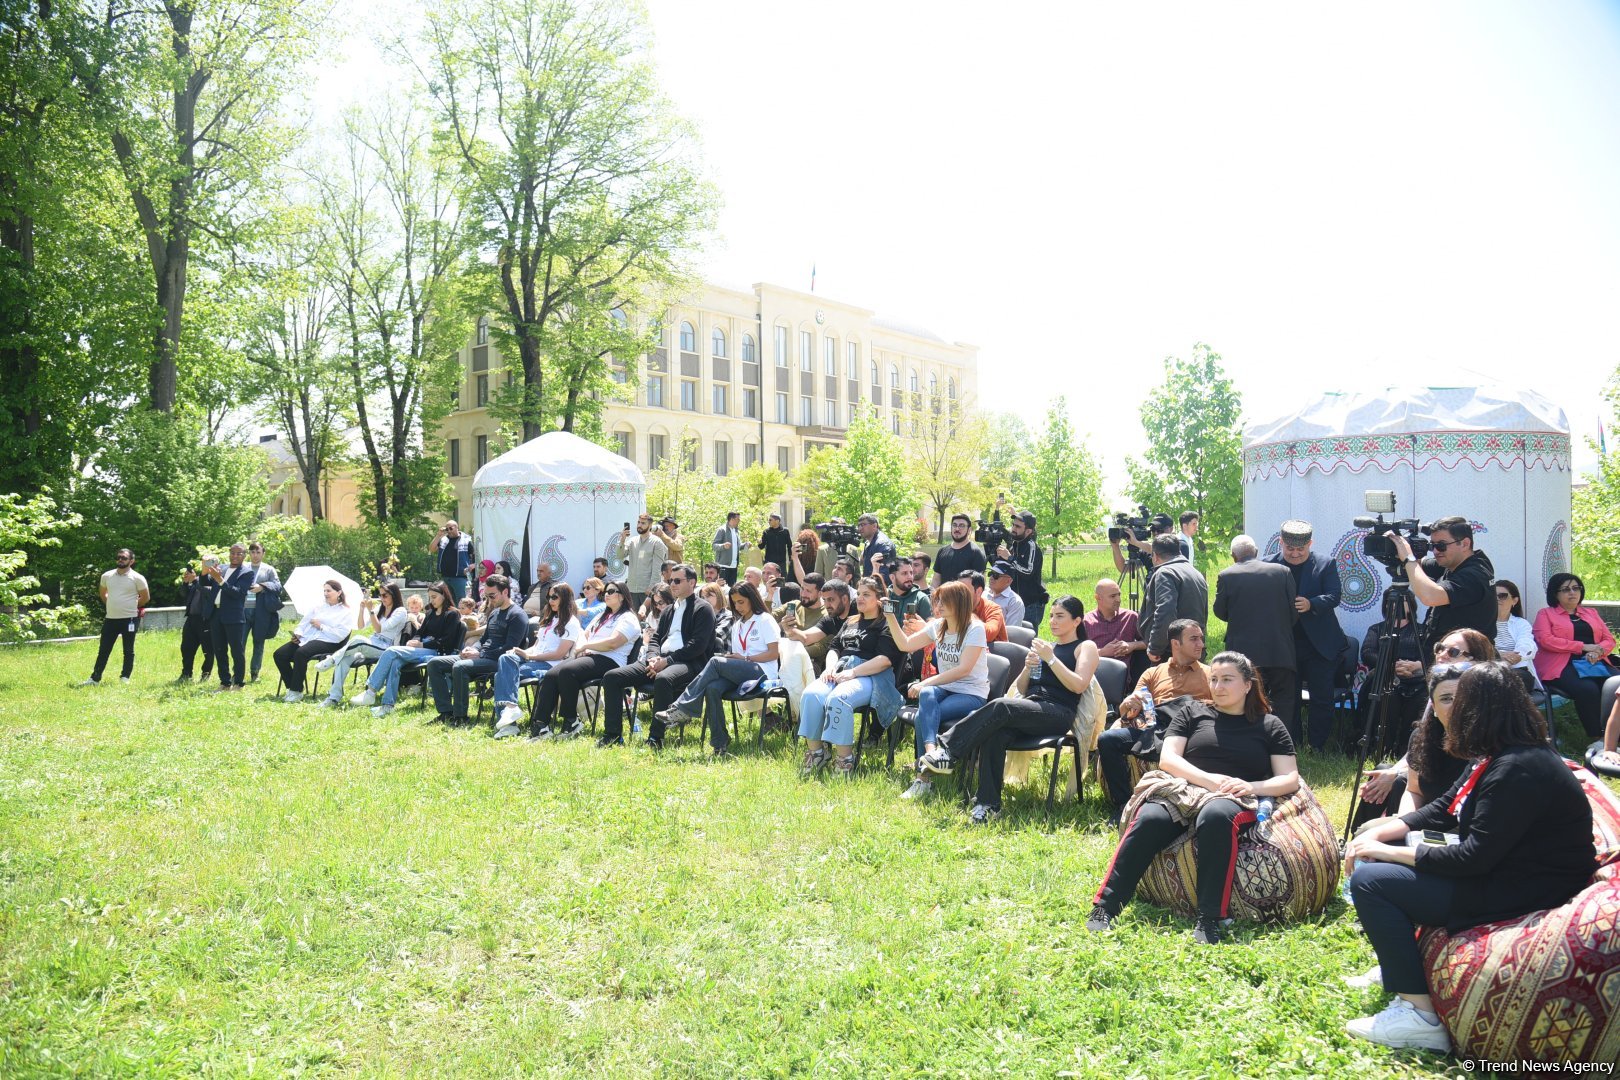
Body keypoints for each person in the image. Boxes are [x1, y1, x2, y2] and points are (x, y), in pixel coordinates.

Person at [1342, 663, 1596, 1051]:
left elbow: (1473, 859)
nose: (1450, 711)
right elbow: (1446, 807)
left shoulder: (1518, 768)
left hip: (1524, 889)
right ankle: (1401, 966)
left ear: (1483, 708)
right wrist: (1382, 830)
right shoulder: (1496, 754)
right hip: (1506, 871)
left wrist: (1388, 851)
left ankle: (1420, 1018)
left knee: (1371, 881)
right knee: (1383, 860)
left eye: (1461, 702)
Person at [1088, 652, 1298, 945]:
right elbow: (1169, 759)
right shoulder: (1192, 713)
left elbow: (1289, 777)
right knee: (1149, 817)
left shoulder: (1270, 725)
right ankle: (1106, 906)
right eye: (1214, 679)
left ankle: (1209, 917)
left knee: (1215, 817)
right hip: (1186, 788)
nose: (1218, 686)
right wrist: (1208, 781)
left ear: (1248, 685)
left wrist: (1250, 786)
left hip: (1234, 795)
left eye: (1227, 680)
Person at [922, 595, 1098, 824]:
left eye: (1060, 616)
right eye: (1051, 616)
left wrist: (1051, 660)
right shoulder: (1049, 647)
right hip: (1031, 707)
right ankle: (988, 804)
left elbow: (1079, 685)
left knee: (1001, 705)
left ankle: (949, 751)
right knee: (995, 733)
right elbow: (1023, 688)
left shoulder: (1084, 647)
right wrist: (1028, 668)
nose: (1053, 621)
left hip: (1058, 713)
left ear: (1077, 621)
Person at [1096, 619, 1213, 822]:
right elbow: (1126, 712)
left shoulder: (1210, 674)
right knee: (1107, 739)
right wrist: (1129, 703)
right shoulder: (1153, 672)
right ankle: (1123, 804)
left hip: (1193, 730)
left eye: (1201, 639)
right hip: (1157, 729)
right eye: (1194, 639)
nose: (1201, 644)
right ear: (1176, 643)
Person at [791, 576, 904, 777]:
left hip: (871, 675)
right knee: (811, 694)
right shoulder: (851, 621)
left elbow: (885, 660)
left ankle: (845, 760)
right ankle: (817, 753)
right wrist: (830, 668)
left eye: (866, 594)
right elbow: (834, 647)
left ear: (879, 598)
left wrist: (853, 672)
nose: (859, 598)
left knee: (839, 698)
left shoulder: (886, 624)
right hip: (841, 670)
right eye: (858, 593)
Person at [886, 581, 989, 801]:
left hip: (972, 694)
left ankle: (923, 779)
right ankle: (932, 754)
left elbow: (964, 670)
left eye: (944, 601)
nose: (938, 606)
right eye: (937, 601)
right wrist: (890, 617)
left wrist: (926, 682)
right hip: (945, 688)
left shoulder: (975, 628)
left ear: (959, 603)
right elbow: (905, 645)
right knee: (927, 696)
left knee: (924, 712)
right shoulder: (939, 625)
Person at [656, 581, 781, 756]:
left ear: (752, 599)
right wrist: (733, 658)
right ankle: (719, 743)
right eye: (735, 603)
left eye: (741, 602)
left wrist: (745, 658)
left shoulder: (765, 620)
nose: (738, 607)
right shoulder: (738, 623)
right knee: (712, 687)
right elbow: (738, 655)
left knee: (715, 662)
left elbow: (773, 654)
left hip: (763, 672)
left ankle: (682, 707)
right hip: (743, 671)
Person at [600, 564, 716, 749]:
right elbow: (655, 638)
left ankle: (656, 738)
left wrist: (667, 661)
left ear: (692, 582)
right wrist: (653, 658)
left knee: (663, 679)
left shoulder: (703, 609)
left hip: (688, 663)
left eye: (677, 580)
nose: (672, 584)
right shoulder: (669, 610)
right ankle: (612, 735)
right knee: (612, 677)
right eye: (670, 581)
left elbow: (697, 646)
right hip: (660, 660)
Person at [1351, 663, 1474, 831]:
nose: (1455, 705)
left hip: (1464, 825)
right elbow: (1414, 791)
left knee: (1397, 782)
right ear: (1434, 707)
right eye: (1446, 699)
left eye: (1461, 697)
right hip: (1427, 817)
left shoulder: (1486, 744)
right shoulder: (1422, 737)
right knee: (1367, 830)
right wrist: (1404, 825)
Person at [1265, 520, 1343, 751]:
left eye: (1301, 549)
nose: (1295, 554)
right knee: (1288, 697)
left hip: (1319, 645)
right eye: (1290, 548)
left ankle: (1317, 745)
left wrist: (1312, 603)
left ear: (1310, 544)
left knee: (1321, 697)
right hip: (1285, 644)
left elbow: (1335, 595)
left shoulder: (1326, 564)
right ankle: (1292, 741)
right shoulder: (1267, 565)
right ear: (1281, 543)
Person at [531, 582, 640, 739]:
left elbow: (613, 643)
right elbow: (584, 634)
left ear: (622, 596)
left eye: (611, 591)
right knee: (551, 675)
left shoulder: (628, 618)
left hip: (611, 660)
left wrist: (586, 647)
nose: (606, 594)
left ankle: (571, 722)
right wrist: (582, 648)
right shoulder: (602, 616)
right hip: (591, 657)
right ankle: (541, 726)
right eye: (605, 591)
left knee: (567, 672)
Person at [1214, 535, 1297, 721]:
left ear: (1233, 555)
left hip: (1243, 653)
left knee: (1247, 700)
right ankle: (1282, 737)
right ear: (1256, 552)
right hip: (1279, 649)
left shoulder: (1227, 575)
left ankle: (1251, 736)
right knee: (1283, 700)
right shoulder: (1283, 572)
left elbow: (1220, 612)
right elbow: (1294, 612)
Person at [425, 573, 526, 725]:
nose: (489, 600)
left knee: (459, 667)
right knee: (434, 663)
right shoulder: (494, 613)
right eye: (486, 596)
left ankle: (460, 717)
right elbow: (484, 639)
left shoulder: (517, 615)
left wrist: (480, 653)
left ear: (505, 592)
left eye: (492, 596)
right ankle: (446, 712)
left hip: (498, 660)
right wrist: (471, 649)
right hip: (482, 656)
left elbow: (510, 648)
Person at [353, 583, 463, 717]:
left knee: (391, 651)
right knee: (395, 662)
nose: (431, 600)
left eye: (434, 597)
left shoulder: (452, 614)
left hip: (438, 651)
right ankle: (387, 705)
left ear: (444, 595)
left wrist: (422, 645)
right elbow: (420, 633)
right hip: (423, 648)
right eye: (430, 597)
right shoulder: (431, 613)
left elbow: (447, 641)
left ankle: (371, 691)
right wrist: (413, 641)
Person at [1532, 572, 1617, 738]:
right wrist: (1582, 647)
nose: (1572, 592)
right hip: (1562, 665)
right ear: (1555, 594)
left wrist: (1598, 651)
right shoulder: (1546, 614)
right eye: (1565, 589)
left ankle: (1615, 735)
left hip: (1594, 661)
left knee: (1616, 684)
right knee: (1588, 689)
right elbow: (1545, 640)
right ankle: (1598, 737)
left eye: (1576, 588)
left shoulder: (1591, 613)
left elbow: (1609, 639)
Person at [493, 583, 582, 739]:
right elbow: (536, 647)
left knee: (500, 676)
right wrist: (521, 652)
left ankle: (509, 724)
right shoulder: (549, 619)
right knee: (505, 658)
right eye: (549, 597)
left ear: (565, 598)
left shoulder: (571, 622)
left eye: (554, 597)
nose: (550, 600)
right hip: (534, 659)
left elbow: (559, 654)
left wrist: (529, 657)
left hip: (551, 665)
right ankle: (511, 709)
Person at [1391, 513, 1496, 641]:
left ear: (1465, 544)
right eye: (1432, 546)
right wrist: (1394, 548)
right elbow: (1419, 564)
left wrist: (1408, 558)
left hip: (1465, 653)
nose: (1436, 551)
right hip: (1445, 651)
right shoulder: (1454, 562)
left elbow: (1430, 596)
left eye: (1441, 545)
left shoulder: (1475, 575)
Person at [318, 583, 408, 708]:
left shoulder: (400, 611)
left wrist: (371, 610)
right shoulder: (381, 608)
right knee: (343, 659)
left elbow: (379, 629)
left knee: (358, 639)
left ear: (394, 595)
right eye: (380, 595)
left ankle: (332, 659)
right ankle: (333, 697)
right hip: (373, 642)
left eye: (385, 595)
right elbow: (361, 626)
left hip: (386, 648)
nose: (382, 598)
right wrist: (362, 609)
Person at [1357, 606, 1429, 761]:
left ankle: (1407, 750)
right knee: (1388, 696)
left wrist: (1415, 666)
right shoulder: (1377, 629)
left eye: (1404, 600)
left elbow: (1430, 656)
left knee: (1421, 699)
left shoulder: (1422, 630)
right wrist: (1392, 666)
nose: (1398, 605)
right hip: (1387, 677)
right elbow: (1367, 653)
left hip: (1416, 679)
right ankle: (1383, 749)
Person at [272, 580, 352, 702]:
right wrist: (298, 634)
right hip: (308, 638)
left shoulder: (345, 612)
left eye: (329, 591)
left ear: (339, 592)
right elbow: (303, 623)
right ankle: (293, 686)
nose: (325, 593)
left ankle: (295, 691)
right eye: (324, 591)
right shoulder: (318, 606)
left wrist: (321, 626)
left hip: (330, 642)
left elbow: (340, 635)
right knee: (279, 654)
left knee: (301, 653)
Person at [81, 548, 150, 685]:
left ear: (131, 561)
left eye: (124, 558)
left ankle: (125, 678)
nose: (120, 560)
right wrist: (111, 604)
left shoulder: (137, 578)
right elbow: (103, 594)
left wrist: (131, 606)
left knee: (128, 650)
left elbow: (145, 597)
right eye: (118, 557)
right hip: (111, 619)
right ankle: (95, 678)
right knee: (104, 650)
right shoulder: (107, 576)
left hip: (130, 619)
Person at [1141, 533, 1208, 663]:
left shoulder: (1165, 573)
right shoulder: (1195, 573)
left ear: (1155, 556)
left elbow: (1165, 611)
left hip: (1172, 654)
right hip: (1192, 648)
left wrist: (1155, 647)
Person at [208, 544, 256, 691]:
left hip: (233, 616)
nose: (235, 556)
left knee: (236, 651)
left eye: (239, 553)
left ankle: (239, 683)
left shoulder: (246, 573)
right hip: (215, 614)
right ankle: (225, 682)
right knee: (219, 649)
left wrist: (220, 580)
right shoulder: (221, 568)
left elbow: (238, 593)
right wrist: (205, 572)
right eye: (232, 553)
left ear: (244, 555)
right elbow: (205, 584)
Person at [994, 509, 1048, 631]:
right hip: (1015, 601)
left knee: (1027, 638)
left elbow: (1027, 572)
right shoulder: (1015, 543)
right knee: (1012, 635)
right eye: (1013, 525)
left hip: (1031, 604)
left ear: (1028, 531)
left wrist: (1009, 558)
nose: (1013, 528)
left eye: (1018, 526)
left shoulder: (1031, 546)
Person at [245, 541, 283, 682]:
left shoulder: (268, 569)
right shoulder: (243, 567)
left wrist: (262, 586)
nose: (255, 555)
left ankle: (255, 673)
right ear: (249, 553)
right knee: (239, 644)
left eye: (258, 552)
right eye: (252, 552)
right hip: (243, 611)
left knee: (259, 643)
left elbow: (278, 586)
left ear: (263, 553)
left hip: (261, 612)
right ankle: (237, 673)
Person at [1084, 579, 1145, 668]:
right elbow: (1076, 653)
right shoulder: (1086, 621)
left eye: (1119, 595)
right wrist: (1102, 652)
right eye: (1112, 596)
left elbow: (1151, 642)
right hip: (1094, 673)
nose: (1118, 599)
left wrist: (1132, 645)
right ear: (1098, 598)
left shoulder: (1130, 617)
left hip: (1124, 673)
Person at [775, 572, 828, 671]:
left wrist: (789, 651)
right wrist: (770, 595)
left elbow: (820, 648)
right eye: (802, 589)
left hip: (809, 662)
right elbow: (768, 618)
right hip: (783, 656)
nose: (803, 594)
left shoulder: (826, 615)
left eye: (808, 591)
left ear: (820, 593)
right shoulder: (795, 605)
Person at [1492, 579, 1538, 689]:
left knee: (1508, 679)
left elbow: (1527, 645)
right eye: (1493, 595)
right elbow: (1479, 648)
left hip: (1518, 670)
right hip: (1490, 668)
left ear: (1514, 600)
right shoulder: (1482, 623)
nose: (1497, 599)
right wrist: (1499, 655)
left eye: (1502, 596)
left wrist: (1515, 657)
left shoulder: (1521, 623)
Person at [617, 513, 667, 612]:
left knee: (648, 618)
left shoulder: (657, 542)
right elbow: (620, 555)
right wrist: (622, 540)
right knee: (634, 618)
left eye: (643, 523)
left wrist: (652, 588)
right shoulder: (632, 541)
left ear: (650, 525)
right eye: (638, 522)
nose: (639, 525)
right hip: (632, 589)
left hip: (647, 590)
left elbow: (658, 568)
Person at [177, 564, 219, 682]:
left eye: (211, 564)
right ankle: (186, 673)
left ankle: (206, 674)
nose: (208, 567)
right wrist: (186, 583)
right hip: (191, 619)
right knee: (186, 648)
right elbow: (183, 594)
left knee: (208, 650)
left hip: (206, 620)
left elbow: (210, 594)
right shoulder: (197, 580)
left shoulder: (216, 580)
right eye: (206, 564)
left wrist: (195, 581)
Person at [932, 513, 987, 589]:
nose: (957, 529)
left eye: (962, 525)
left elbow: (980, 584)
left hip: (965, 597)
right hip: (943, 596)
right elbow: (936, 579)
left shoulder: (976, 553)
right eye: (954, 525)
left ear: (969, 530)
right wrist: (933, 595)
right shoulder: (942, 551)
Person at [428, 520, 477, 602]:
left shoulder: (466, 539)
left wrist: (474, 565)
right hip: (445, 577)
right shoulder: (443, 539)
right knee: (448, 602)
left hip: (460, 577)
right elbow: (432, 549)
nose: (449, 531)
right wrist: (438, 535)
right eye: (447, 529)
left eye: (451, 528)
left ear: (457, 528)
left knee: (461, 601)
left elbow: (475, 555)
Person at [957, 569, 1008, 645]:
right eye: (956, 590)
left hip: (993, 651)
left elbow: (989, 635)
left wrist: (966, 614)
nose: (958, 594)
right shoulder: (953, 607)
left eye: (963, 590)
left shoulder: (993, 609)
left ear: (978, 591)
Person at [884, 556, 932, 622]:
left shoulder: (921, 599)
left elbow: (930, 626)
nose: (910, 577)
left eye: (911, 573)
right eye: (904, 573)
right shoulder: (884, 596)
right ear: (892, 577)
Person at [986, 562, 1026, 630]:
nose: (991, 577)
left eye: (996, 575)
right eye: (991, 573)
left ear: (1008, 581)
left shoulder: (1015, 602)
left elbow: (1011, 632)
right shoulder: (983, 593)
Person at [712, 511, 743, 586]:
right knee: (722, 589)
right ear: (732, 519)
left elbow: (738, 547)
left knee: (732, 590)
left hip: (734, 567)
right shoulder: (722, 530)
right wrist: (723, 546)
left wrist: (746, 545)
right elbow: (714, 546)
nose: (739, 521)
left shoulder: (736, 531)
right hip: (723, 566)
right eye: (738, 519)